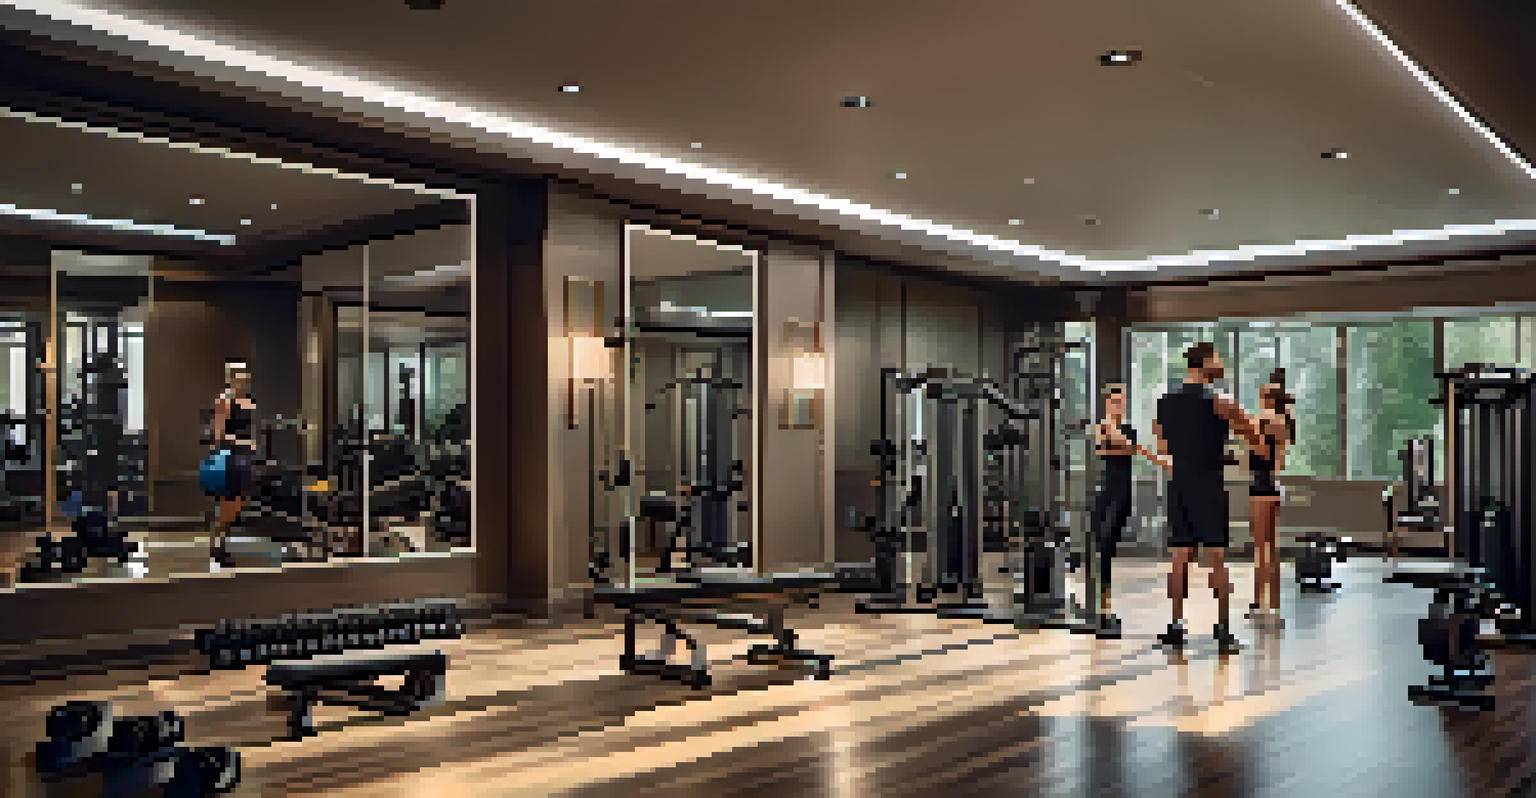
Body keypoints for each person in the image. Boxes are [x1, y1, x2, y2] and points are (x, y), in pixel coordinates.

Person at [1153, 342, 1265, 653]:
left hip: (1178, 484)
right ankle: (1224, 630)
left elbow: (1164, 448)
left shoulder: (1164, 403)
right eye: (1217, 359)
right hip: (1208, 486)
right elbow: (1255, 438)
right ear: (1204, 363)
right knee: (1216, 557)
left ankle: (1175, 627)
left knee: (1179, 557)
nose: (1222, 365)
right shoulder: (1221, 401)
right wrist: (1230, 451)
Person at [1089, 383, 1169, 637]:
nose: (1118, 404)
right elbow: (1103, 449)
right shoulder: (1104, 426)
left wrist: (1117, 441)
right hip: (1106, 491)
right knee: (1101, 544)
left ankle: (1105, 603)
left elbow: (1126, 447)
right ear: (1107, 403)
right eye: (1114, 401)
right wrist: (1119, 443)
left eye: (1121, 401)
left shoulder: (1123, 428)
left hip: (1123, 491)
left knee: (1110, 544)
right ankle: (1102, 604)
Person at [1246, 369, 1295, 626]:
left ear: (1269, 398)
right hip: (1268, 487)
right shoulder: (1278, 421)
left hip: (1263, 489)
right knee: (1266, 550)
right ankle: (1260, 603)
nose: (1259, 397)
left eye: (1263, 393)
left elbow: (1264, 455)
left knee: (1265, 551)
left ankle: (1271, 605)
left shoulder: (1267, 421)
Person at [208, 360, 257, 567]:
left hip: (246, 454)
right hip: (232, 454)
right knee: (229, 499)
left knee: (240, 499)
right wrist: (242, 442)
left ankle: (221, 541)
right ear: (231, 379)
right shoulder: (225, 400)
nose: (243, 381)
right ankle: (218, 544)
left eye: (245, 377)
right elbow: (219, 434)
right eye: (239, 377)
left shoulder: (248, 401)